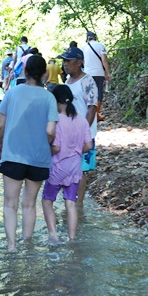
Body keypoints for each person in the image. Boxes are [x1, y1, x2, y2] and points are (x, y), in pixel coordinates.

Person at [0, 54, 58, 252]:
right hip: (38, 157)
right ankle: (27, 243)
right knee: (29, 204)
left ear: (25, 71)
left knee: (10, 203)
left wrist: (0, 146)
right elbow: (50, 131)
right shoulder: (49, 97)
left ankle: (12, 246)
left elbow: (0, 125)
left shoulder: (12, 92)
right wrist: (44, 144)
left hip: (13, 155)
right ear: (45, 75)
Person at [42, 84, 92, 244]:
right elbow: (89, 146)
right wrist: (76, 151)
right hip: (75, 167)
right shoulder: (82, 120)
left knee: (47, 200)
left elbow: (55, 148)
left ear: (56, 102)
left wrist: (44, 152)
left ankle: (53, 235)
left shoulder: (56, 121)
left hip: (58, 167)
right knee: (71, 203)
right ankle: (72, 239)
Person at [61, 46, 98, 211]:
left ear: (80, 62)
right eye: (64, 60)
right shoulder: (67, 81)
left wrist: (84, 131)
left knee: (80, 169)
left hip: (82, 133)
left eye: (69, 61)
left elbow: (92, 108)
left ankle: (79, 205)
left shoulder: (87, 81)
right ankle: (69, 202)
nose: (65, 64)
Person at [81, 31, 110, 121]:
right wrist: (108, 73)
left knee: (88, 94)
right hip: (98, 73)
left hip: (87, 73)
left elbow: (83, 62)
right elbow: (104, 60)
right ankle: (96, 114)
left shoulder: (83, 48)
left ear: (87, 38)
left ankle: (88, 114)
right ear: (95, 37)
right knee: (98, 94)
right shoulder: (100, 46)